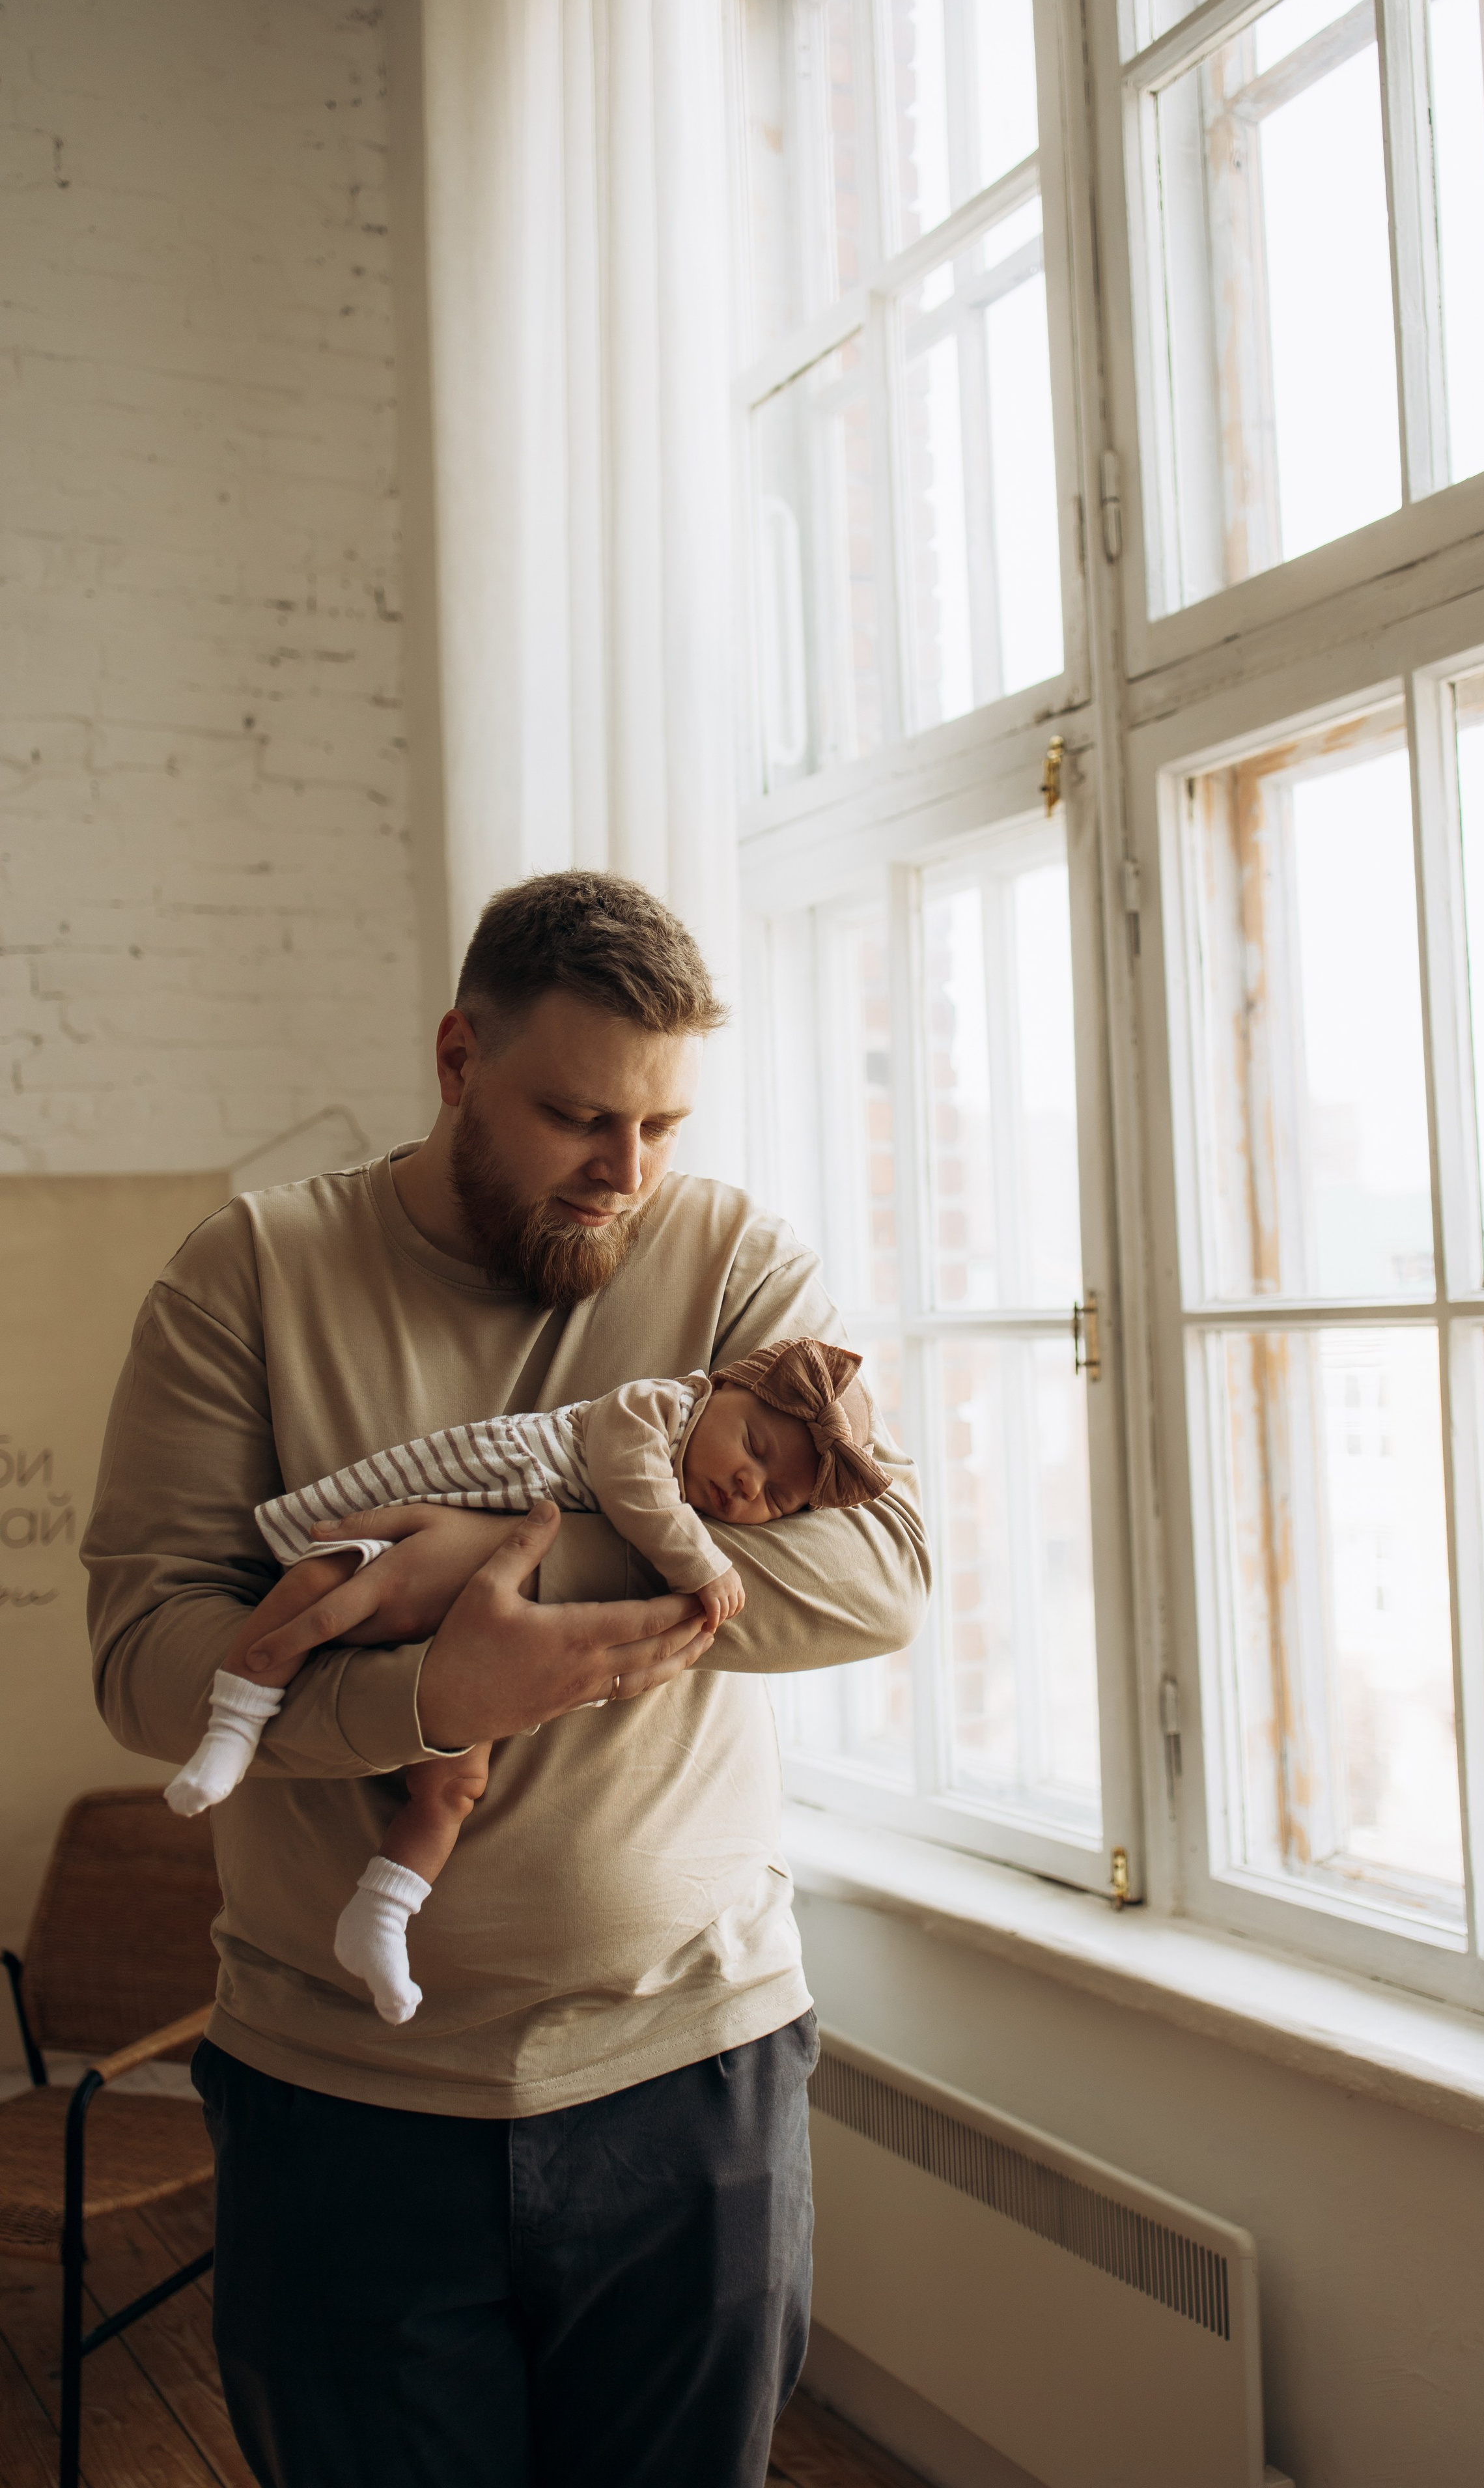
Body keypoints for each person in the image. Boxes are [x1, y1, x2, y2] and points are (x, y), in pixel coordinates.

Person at [83, 870, 931, 2488]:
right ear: (458, 1057)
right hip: (343, 2094)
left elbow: (880, 1574)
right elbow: (145, 1661)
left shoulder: (737, 1261)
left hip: (695, 2069)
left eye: (664, 1125)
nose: (627, 1177)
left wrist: (491, 1565)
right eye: (576, 1117)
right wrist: (427, 1697)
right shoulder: (247, 1274)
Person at [163, 1338, 890, 2026]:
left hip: (474, 1637)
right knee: (315, 1590)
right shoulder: (655, 1409)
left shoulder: (711, 1475)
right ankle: (233, 1726)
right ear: (723, 1386)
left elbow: (880, 1592)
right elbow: (629, 1480)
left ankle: (381, 1913)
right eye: (755, 1449)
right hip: (424, 1526)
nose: (747, 1484)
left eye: (779, 1500)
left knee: (453, 1789)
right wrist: (700, 1562)